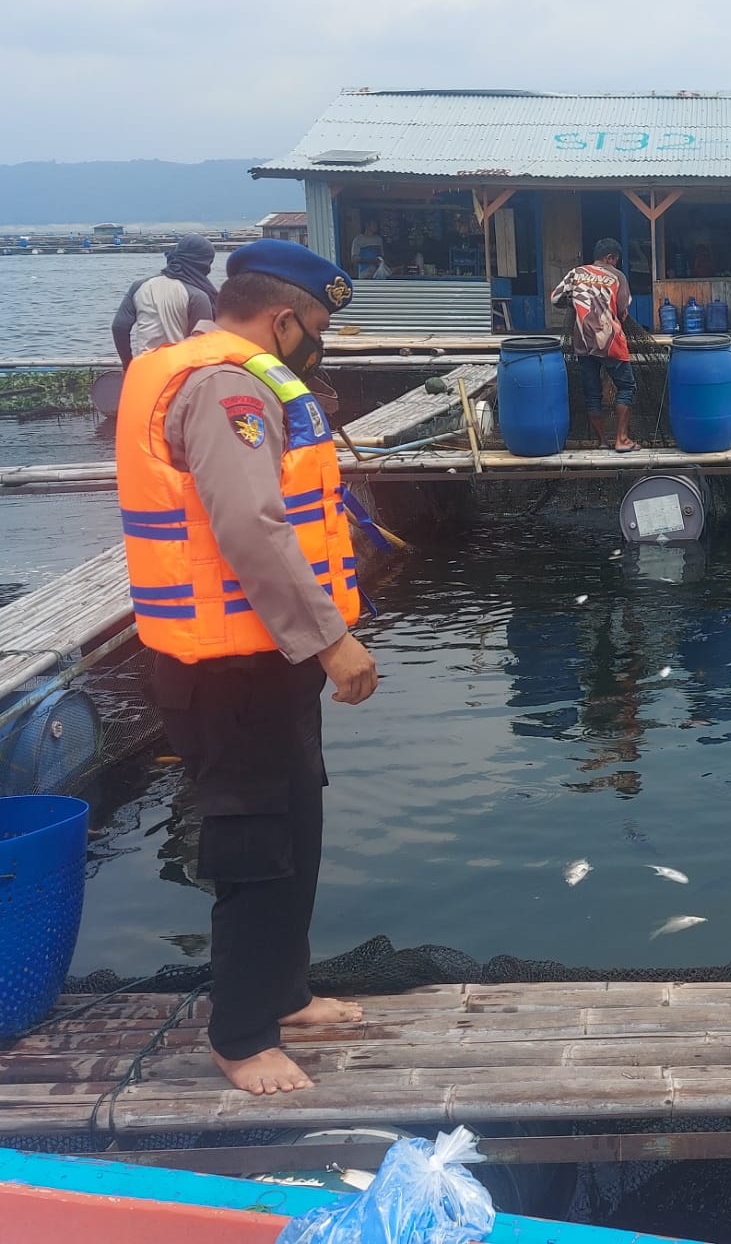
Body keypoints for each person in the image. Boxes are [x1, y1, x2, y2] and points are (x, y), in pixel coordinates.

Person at [115, 239, 378, 1097]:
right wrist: (331, 638)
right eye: (319, 325)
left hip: (269, 659)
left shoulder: (220, 370)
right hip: (231, 670)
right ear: (283, 318)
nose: (320, 341)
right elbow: (250, 529)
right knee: (256, 844)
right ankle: (239, 1034)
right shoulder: (228, 387)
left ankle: (285, 992)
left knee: (297, 821)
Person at [550, 237, 636, 452]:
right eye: (615, 260)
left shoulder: (576, 273)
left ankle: (603, 441)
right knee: (626, 386)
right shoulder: (617, 276)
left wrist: (575, 303)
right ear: (610, 258)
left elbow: (555, 299)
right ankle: (622, 439)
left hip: (582, 344)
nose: (615, 264)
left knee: (592, 393)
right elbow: (622, 307)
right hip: (609, 342)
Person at [110, 235, 218, 368]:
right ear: (203, 263)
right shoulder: (198, 296)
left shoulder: (139, 286)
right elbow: (203, 344)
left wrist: (128, 365)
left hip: (143, 369)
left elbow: (119, 327)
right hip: (179, 374)